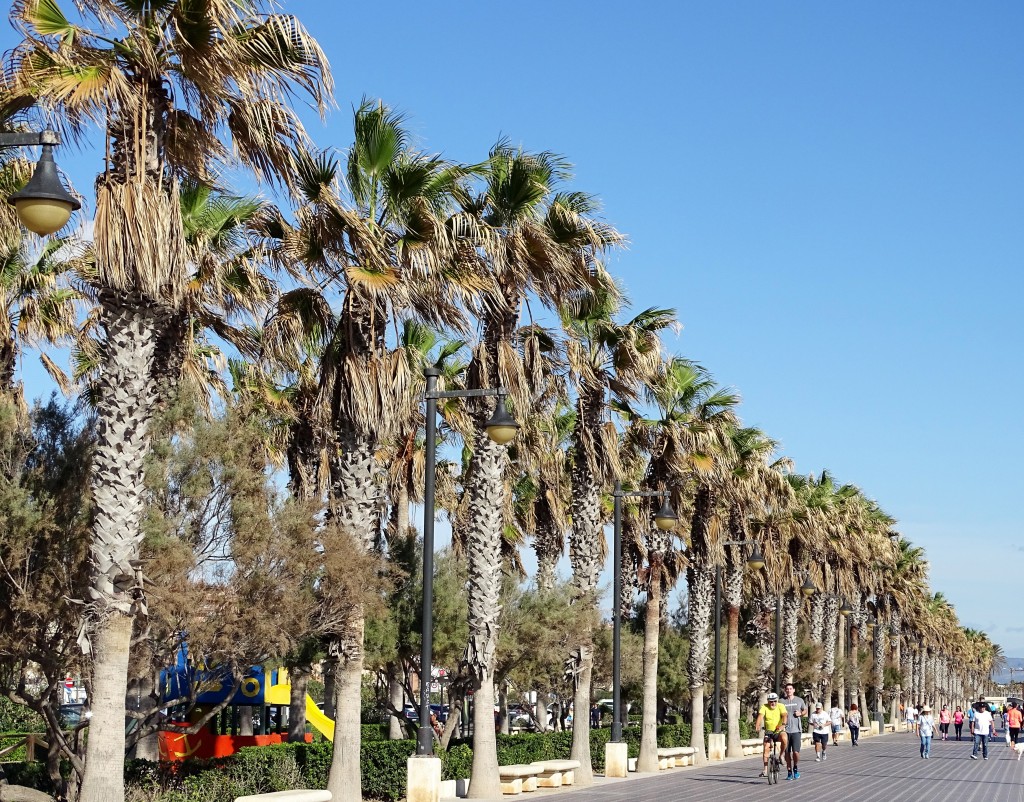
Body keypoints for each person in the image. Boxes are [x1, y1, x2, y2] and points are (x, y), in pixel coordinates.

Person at [755, 692, 788, 778]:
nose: (773, 703)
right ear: (768, 701)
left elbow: (784, 715)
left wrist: (783, 725)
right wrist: (757, 725)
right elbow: (760, 716)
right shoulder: (764, 707)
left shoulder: (781, 706)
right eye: (771, 701)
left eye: (774, 701)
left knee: (784, 738)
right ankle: (765, 769)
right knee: (766, 748)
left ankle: (781, 755)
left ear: (777, 701)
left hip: (778, 731)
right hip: (768, 732)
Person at [781, 682, 807, 779]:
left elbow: (805, 710)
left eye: (790, 689)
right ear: (785, 690)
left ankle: (795, 768)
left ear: (794, 690)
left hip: (796, 730)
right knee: (787, 752)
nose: (789, 690)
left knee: (796, 752)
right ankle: (789, 772)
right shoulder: (781, 701)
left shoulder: (799, 700)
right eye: (787, 689)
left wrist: (800, 713)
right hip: (785, 731)